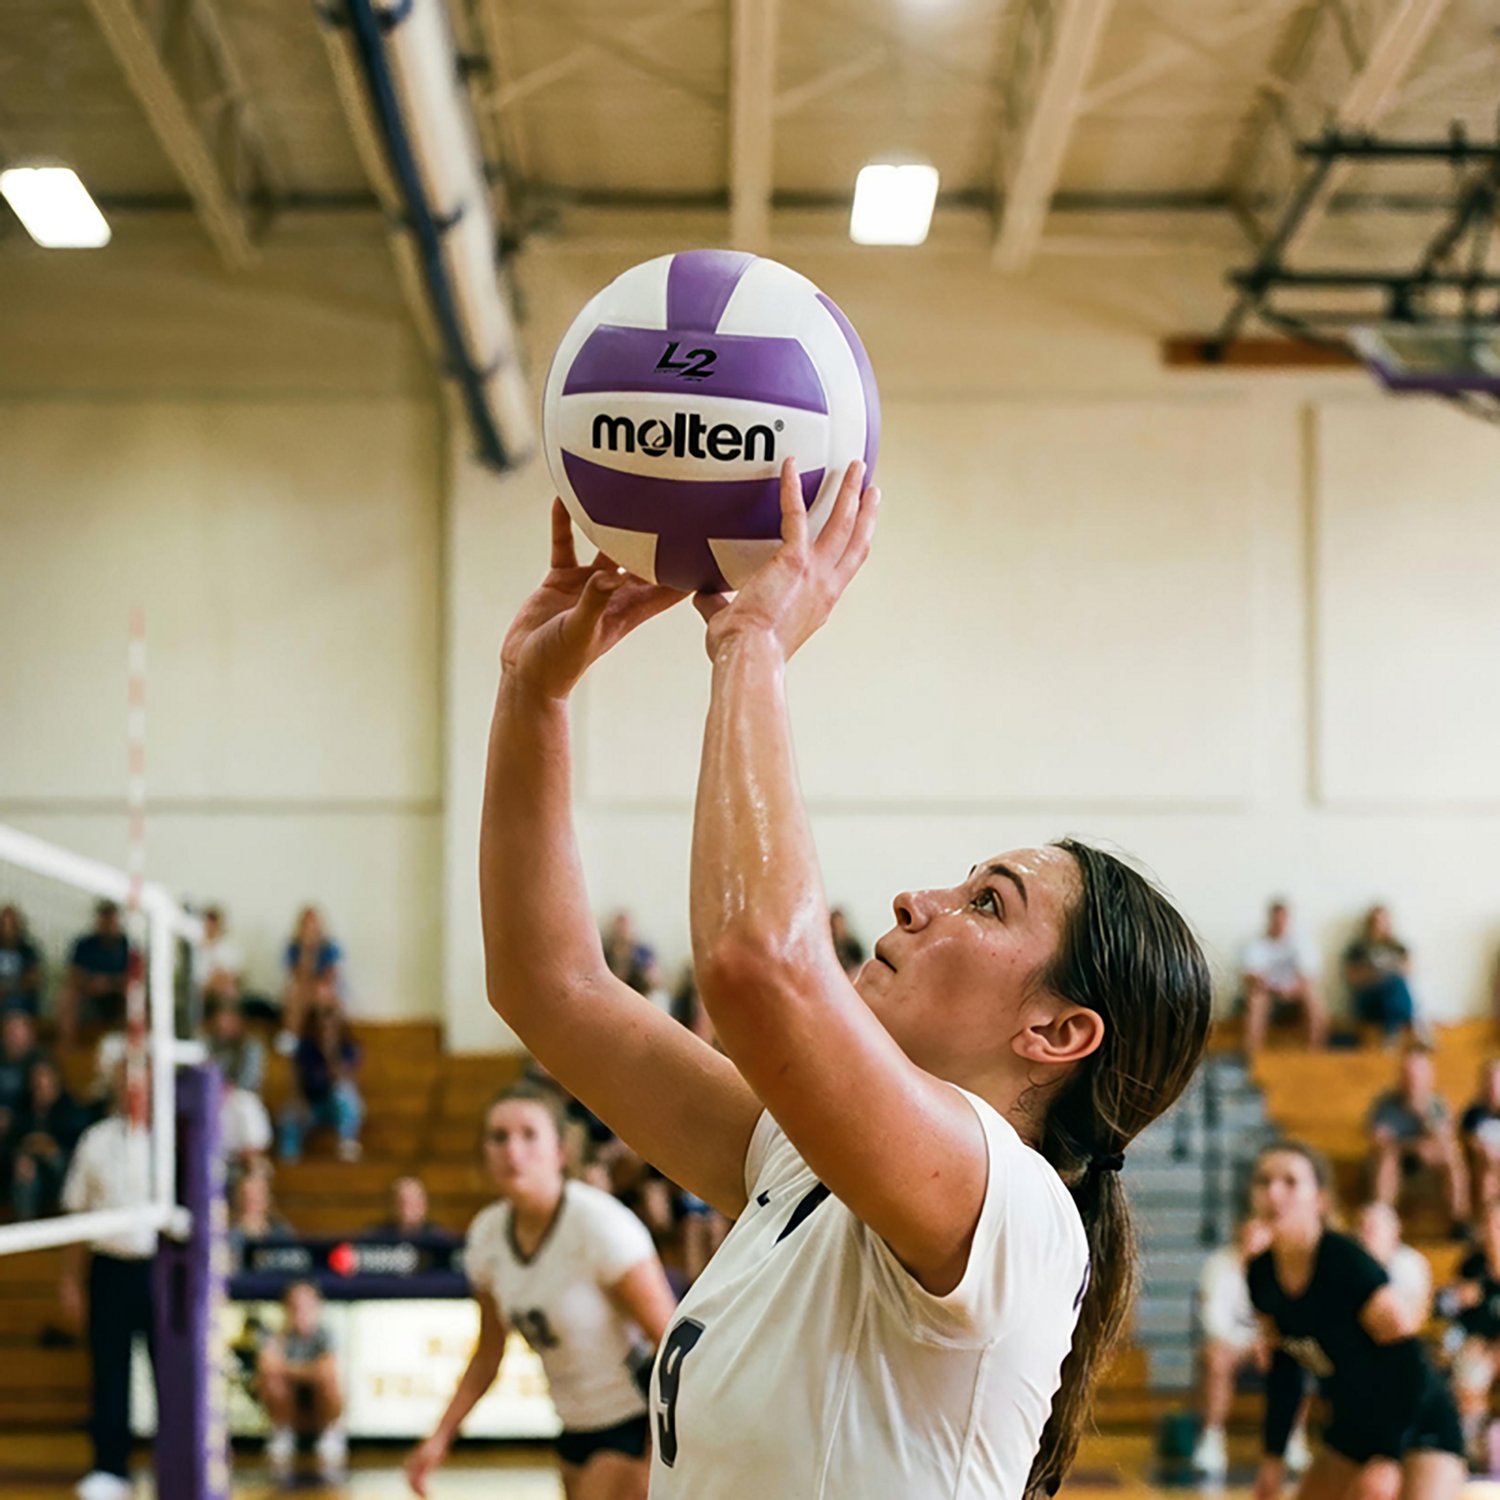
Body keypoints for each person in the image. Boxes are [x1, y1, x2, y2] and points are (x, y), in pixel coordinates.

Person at [477, 468, 1213, 1497]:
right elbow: (547, 986)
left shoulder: (1014, 1211)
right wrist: (532, 694)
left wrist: (752, 641)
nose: (919, 900)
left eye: (987, 903)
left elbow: (757, 966)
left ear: (1057, 1032)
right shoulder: (801, 1158)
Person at [405, 1085, 677, 1499]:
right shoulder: (486, 1236)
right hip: (572, 1428)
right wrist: (440, 1437)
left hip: (635, 1424)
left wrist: (656, 1455)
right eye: (498, 1136)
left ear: (560, 1152)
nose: (513, 1149)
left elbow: (673, 1344)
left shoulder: (600, 1225)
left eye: (529, 1134)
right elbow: (488, 1353)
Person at [1246, 1141, 1464, 1500]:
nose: (1274, 1192)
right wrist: (1273, 1460)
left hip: (1420, 1420)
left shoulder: (1344, 1261)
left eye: (1290, 1181)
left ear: (1319, 1198)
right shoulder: (1260, 1275)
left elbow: (1409, 1360)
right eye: (1263, 1181)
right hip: (1352, 1425)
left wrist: (1388, 1456)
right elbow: (1285, 1369)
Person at [58, 1068, 157, 1500]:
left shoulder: (173, 1140)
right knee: (110, 1369)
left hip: (163, 1270)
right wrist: (70, 1281)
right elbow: (76, 1214)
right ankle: (109, 1467)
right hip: (110, 1267)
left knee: (170, 1371)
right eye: (126, 1081)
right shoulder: (96, 1140)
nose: (133, 1090)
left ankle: (174, 1459)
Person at [1193, 1216, 1311, 1479]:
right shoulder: (1219, 1266)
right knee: (1216, 1358)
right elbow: (1213, 1321)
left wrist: (1269, 1342)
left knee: (1298, 1355)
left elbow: (1294, 1319)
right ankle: (1211, 1439)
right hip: (1234, 1344)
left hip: (1272, 1343)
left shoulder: (1286, 1267)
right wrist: (1251, 1344)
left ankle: (1292, 1438)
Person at [1368, 1042, 1469, 1232]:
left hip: (1428, 1161)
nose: (1412, 1080)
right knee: (1387, 1158)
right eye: (1408, 1074)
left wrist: (1423, 1113)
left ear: (1428, 1077)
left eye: (1417, 1074)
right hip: (1398, 1158)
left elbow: (1444, 1139)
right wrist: (1412, 1146)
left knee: (1451, 1155)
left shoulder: (1437, 1103)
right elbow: (1379, 1141)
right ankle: (1382, 1219)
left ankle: (1458, 1221)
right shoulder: (1385, 1104)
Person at [257, 1280, 347, 1482]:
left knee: (329, 1382)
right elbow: (267, 1368)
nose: (300, 1312)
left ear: (317, 1307)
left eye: (306, 1306)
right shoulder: (275, 1334)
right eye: (294, 1306)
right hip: (291, 1405)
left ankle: (330, 1432)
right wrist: (308, 1370)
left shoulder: (326, 1334)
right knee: (271, 1383)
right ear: (285, 1308)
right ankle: (282, 1432)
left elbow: (326, 1372)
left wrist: (287, 1369)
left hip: (317, 1408)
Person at [1438, 1198, 1500, 1466]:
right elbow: (1441, 1308)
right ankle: (1470, 1452)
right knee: (1466, 1365)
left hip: (1492, 1349)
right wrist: (1455, 1298)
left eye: (1496, 1225)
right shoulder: (1473, 1264)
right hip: (1472, 1346)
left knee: (1475, 1365)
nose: (1490, 1231)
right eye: (1486, 1224)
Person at [1241, 899, 1324, 1057]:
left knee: (1313, 997)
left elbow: (1308, 977)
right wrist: (1273, 989)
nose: (1279, 923)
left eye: (1282, 918)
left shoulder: (1301, 943)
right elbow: (1250, 976)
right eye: (1276, 919)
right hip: (1268, 992)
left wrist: (1292, 990)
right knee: (1256, 999)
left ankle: (1314, 1052)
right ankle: (1252, 1055)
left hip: (1295, 993)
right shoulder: (1257, 944)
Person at [279, 1006, 363, 1162]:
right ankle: (289, 1160)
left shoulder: (348, 1048)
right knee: (290, 1113)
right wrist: (300, 1101)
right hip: (311, 1104)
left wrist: (330, 1051)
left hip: (336, 1107)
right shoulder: (305, 1049)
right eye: (322, 1027)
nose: (326, 1031)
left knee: (345, 1092)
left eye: (331, 1027)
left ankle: (347, 1143)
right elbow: (297, 1081)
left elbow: (343, 1078)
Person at [200, 997, 271, 1179]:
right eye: (220, 1019)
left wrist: (226, 1089)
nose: (224, 1024)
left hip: (241, 1099)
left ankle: (252, 1164)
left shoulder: (250, 1047)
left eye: (228, 1019)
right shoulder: (208, 1043)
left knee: (244, 1106)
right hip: (215, 1101)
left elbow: (247, 1082)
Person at [10, 1057, 86, 1221]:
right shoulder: (24, 1108)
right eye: (35, 1079)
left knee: (58, 1161)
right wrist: (20, 1156)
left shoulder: (70, 1107)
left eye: (44, 1078)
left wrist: (52, 1150)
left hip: (64, 1163)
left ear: (55, 1079)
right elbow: (13, 1140)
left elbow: (79, 1148)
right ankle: (26, 1227)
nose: (40, 1084)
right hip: (32, 1167)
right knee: (25, 1170)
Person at [57, 900, 130, 1047]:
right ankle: (68, 1046)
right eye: (104, 918)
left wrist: (109, 984)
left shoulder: (127, 946)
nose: (108, 923)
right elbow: (74, 975)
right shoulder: (84, 945)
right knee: (68, 994)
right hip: (89, 997)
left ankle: (131, 1047)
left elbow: (133, 978)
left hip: (116, 998)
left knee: (134, 997)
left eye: (111, 919)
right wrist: (92, 984)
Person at [1355, 1201, 1434, 1328]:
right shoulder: (1356, 1263)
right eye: (1361, 1228)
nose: (1362, 1237)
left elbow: (1401, 1321)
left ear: (1393, 1232)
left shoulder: (1409, 1266)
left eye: (1371, 1229)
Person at [1345, 905, 1417, 1043]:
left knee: (1396, 986)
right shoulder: (1358, 948)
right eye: (1376, 921)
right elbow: (1352, 977)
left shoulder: (1397, 946)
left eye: (1383, 921)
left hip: (1395, 1002)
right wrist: (1375, 974)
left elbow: (1408, 969)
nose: (1379, 925)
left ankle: (1394, 1032)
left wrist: (1388, 972)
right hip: (1370, 1001)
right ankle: (1394, 1034)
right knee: (1391, 986)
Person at [278, 906, 343, 1054]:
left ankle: (326, 1044)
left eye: (313, 923)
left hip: (323, 991)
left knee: (320, 992)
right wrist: (306, 952)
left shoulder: (330, 946)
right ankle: (291, 1036)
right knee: (294, 991)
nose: (309, 928)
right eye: (306, 924)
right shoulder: (293, 947)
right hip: (303, 990)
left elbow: (330, 978)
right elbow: (296, 976)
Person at [1460, 1059, 1500, 1213]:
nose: (1493, 1088)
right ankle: (1489, 1220)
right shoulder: (1473, 1114)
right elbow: (1469, 1140)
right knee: (1486, 1174)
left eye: (1497, 1083)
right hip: (1483, 1166)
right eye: (1489, 1082)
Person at [191, 905, 244, 1011]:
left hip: (222, 995)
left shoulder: (230, 949)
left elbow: (234, 978)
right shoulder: (193, 950)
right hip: (200, 994)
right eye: (208, 923)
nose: (211, 927)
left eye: (214, 924)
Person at [366, 1174, 447, 1240]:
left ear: (425, 1206)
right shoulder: (376, 1238)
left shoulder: (442, 1239)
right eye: (407, 1202)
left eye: (417, 1203)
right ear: (395, 1206)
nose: (413, 1209)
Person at [0, 903, 43, 1016]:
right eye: (4, 924)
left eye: (11, 924)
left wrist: (8, 989)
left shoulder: (28, 951)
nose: (7, 929)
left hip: (18, 998)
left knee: (15, 1002)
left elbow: (33, 980)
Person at [829, 908, 866, 976]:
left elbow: (860, 961)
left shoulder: (851, 942)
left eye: (839, 922)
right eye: (835, 923)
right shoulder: (830, 945)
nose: (838, 925)